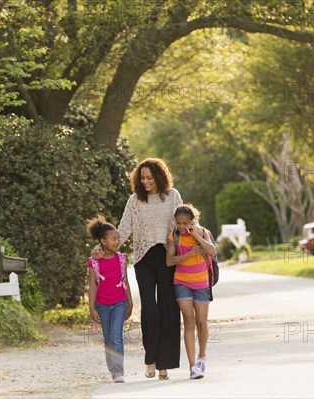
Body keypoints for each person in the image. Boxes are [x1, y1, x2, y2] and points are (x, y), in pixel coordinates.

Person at [91, 158, 188, 380]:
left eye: (149, 178)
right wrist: (100, 247)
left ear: (159, 177)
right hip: (144, 259)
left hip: (167, 257)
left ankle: (165, 364)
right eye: (142, 178)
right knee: (150, 309)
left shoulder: (173, 196)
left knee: (167, 307)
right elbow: (123, 230)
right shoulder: (134, 201)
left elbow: (181, 226)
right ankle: (151, 360)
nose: (145, 182)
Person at [166, 204, 216, 379]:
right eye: (178, 223)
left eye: (185, 223)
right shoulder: (174, 236)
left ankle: (202, 357)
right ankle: (192, 366)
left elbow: (212, 251)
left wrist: (196, 235)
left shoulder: (203, 232)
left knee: (202, 323)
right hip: (182, 282)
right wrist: (188, 255)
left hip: (201, 283)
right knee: (188, 322)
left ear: (193, 220)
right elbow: (169, 261)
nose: (181, 226)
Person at [86, 216, 133, 383]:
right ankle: (113, 370)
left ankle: (119, 371)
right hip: (102, 306)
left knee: (116, 336)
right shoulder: (94, 262)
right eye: (113, 239)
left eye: (118, 239)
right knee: (108, 338)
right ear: (103, 241)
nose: (117, 242)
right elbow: (92, 286)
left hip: (119, 302)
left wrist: (130, 302)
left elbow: (125, 280)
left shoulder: (121, 258)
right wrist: (91, 308)